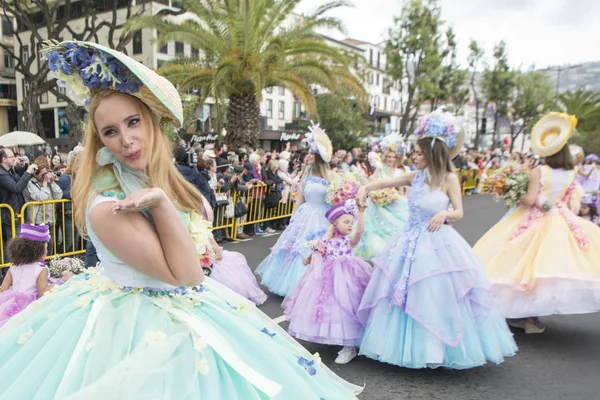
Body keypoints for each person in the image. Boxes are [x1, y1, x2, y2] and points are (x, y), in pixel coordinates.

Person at [0, 40, 362, 399]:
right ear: (99, 140)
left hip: (184, 307)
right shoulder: (106, 204)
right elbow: (187, 275)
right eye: (110, 131)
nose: (126, 139)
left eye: (132, 122)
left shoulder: (148, 175)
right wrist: (161, 205)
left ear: (152, 121)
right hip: (136, 330)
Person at [356, 109, 517, 369]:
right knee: (403, 292)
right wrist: (364, 187)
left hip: (437, 241)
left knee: (433, 293)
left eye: (418, 153)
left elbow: (459, 211)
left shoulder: (449, 178)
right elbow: (386, 183)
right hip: (409, 240)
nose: (413, 157)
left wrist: (444, 213)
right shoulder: (415, 176)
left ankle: (434, 351)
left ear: (431, 153)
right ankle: (404, 348)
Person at [473, 113, 600, 333]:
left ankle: (522, 315)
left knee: (514, 262)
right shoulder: (571, 173)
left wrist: (509, 191)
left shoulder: (539, 171)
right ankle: (530, 316)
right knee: (543, 268)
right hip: (560, 219)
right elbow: (569, 203)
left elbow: (530, 200)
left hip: (534, 219)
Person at [283, 199, 371, 365]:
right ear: (335, 223)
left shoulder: (349, 240)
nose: (350, 225)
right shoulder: (325, 239)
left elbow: (360, 232)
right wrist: (310, 258)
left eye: (351, 223)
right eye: (346, 222)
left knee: (347, 306)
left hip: (347, 277)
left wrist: (361, 213)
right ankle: (334, 336)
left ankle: (349, 345)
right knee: (328, 307)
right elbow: (318, 252)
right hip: (326, 277)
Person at [256, 123, 334, 297]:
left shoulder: (331, 177)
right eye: (309, 153)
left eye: (312, 153)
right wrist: (293, 219)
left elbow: (335, 200)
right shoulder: (307, 174)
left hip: (322, 218)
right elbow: (300, 198)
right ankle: (293, 285)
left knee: (316, 249)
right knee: (297, 249)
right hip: (305, 216)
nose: (308, 156)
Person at [0, 224, 73, 327]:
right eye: (46, 246)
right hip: (31, 308)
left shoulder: (14, 266)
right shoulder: (41, 269)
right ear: (40, 249)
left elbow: (3, 289)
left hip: (12, 306)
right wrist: (62, 280)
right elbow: (43, 292)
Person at [355, 135, 409, 261]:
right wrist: (375, 194)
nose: (391, 159)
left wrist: (393, 196)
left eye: (393, 157)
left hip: (393, 206)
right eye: (389, 157)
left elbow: (401, 192)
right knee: (375, 233)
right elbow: (370, 185)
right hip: (377, 207)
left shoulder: (400, 173)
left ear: (397, 158)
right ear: (385, 157)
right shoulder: (379, 170)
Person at [0, 148, 37, 263]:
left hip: (17, 213)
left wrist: (24, 167)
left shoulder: (9, 170)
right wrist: (28, 172)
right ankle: (8, 274)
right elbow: (16, 187)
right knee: (12, 247)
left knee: (15, 246)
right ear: (4, 159)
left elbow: (19, 180)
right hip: (9, 215)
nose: (14, 158)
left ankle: (13, 273)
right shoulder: (1, 174)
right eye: (11, 157)